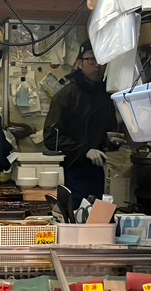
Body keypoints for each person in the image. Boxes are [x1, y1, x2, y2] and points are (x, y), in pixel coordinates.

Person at [44, 41, 119, 203]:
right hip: (72, 171)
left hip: (98, 171)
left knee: (96, 221)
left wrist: (112, 141)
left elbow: (108, 131)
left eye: (101, 61)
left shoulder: (107, 95)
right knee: (74, 220)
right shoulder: (67, 95)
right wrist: (84, 150)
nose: (97, 66)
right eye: (91, 60)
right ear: (79, 64)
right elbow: (51, 138)